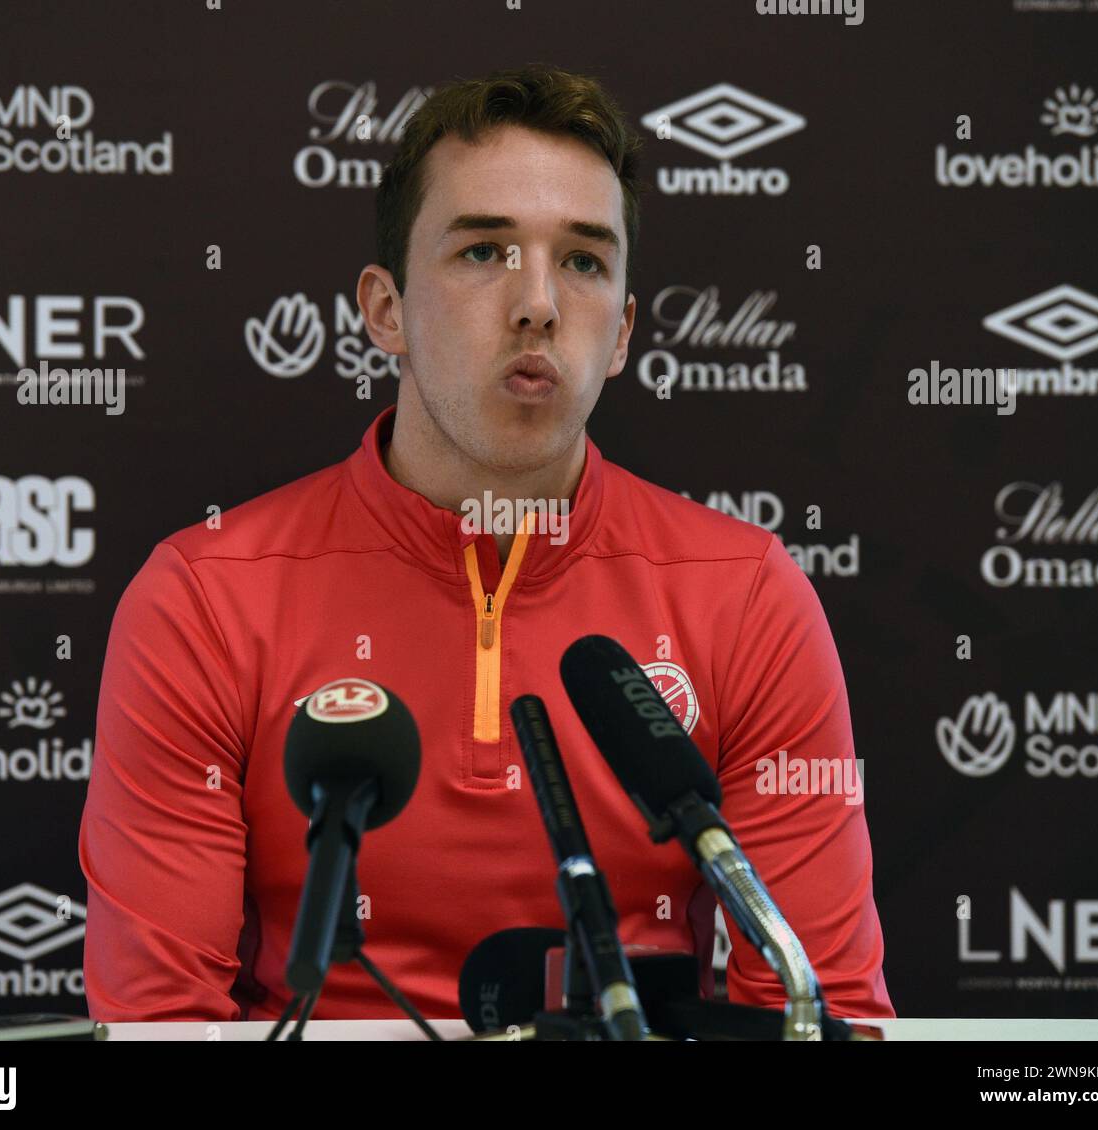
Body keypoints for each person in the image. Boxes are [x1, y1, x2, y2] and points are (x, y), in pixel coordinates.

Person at [78, 62, 895, 1023]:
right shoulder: (204, 600)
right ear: (385, 310)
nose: (538, 303)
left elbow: (820, 1014)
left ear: (626, 331)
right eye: (484, 252)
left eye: (585, 261)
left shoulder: (748, 597)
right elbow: (159, 1027)